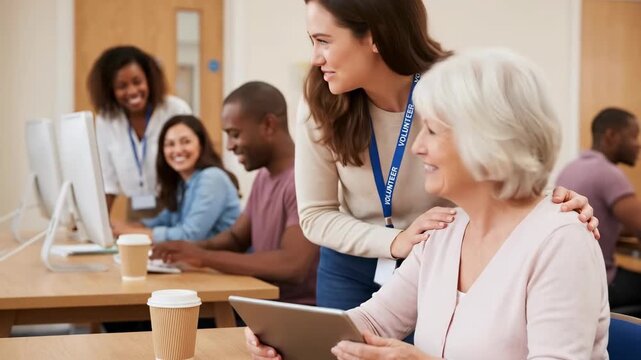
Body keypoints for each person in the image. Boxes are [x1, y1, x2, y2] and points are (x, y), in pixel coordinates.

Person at [247, 48, 609, 360]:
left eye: (433, 131)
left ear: (488, 141)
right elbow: (371, 322)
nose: (418, 147)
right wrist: (281, 333)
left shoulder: (561, 241)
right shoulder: (443, 230)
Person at [296, 0, 599, 311]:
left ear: (374, 36)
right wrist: (395, 241)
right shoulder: (321, 102)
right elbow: (315, 215)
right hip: (351, 262)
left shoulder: (454, 86)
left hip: (443, 254)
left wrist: (551, 203)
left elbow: (500, 160)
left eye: (324, 41)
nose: (315, 58)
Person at [151, 82, 319, 305]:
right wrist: (187, 250)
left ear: (269, 125)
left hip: (293, 314)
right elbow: (236, 238)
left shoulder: (301, 179)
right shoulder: (264, 177)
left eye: (235, 134)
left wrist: (203, 257)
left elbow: (292, 265)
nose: (229, 146)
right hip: (260, 303)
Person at [88, 45, 192, 221]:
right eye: (122, 86)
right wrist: (98, 227)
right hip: (136, 210)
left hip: (177, 206)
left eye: (137, 82)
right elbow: (108, 182)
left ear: (149, 80)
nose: (132, 91)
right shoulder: (106, 121)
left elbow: (194, 166)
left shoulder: (175, 109)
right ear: (110, 91)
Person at [557, 107, 641, 317]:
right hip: (601, 281)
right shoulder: (609, 173)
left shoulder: (571, 168)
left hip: (571, 280)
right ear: (611, 136)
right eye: (633, 136)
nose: (638, 143)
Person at [111, 115, 240, 242]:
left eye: (185, 142)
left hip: (222, 260)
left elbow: (190, 236)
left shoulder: (212, 178)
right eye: (170, 144)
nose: (177, 150)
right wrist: (125, 227)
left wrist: (130, 232)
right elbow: (164, 220)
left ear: (201, 144)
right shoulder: (182, 184)